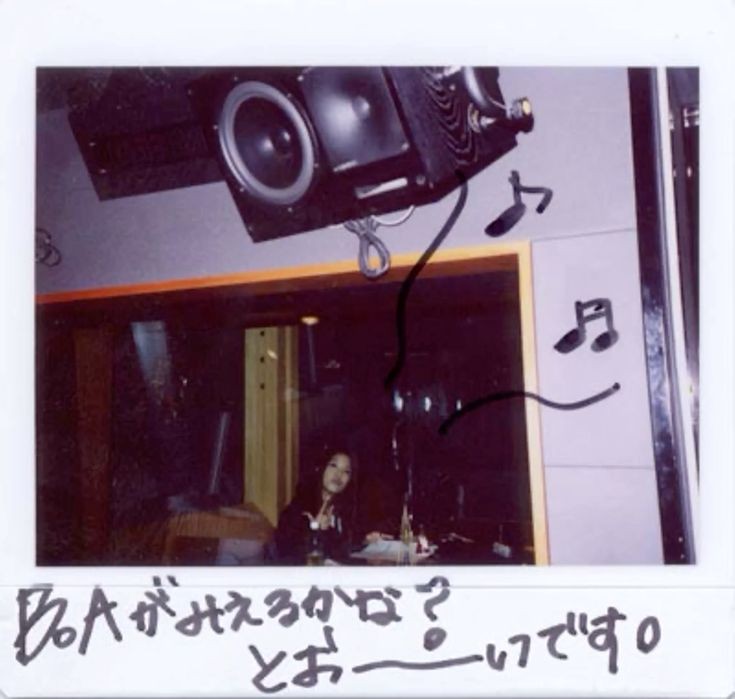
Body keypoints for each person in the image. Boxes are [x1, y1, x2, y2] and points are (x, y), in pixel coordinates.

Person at [274, 448, 358, 564]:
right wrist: (315, 530)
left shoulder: (345, 510)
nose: (339, 474)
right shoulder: (299, 508)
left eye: (346, 471)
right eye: (333, 465)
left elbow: (343, 552)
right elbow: (286, 551)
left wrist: (367, 541)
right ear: (320, 468)